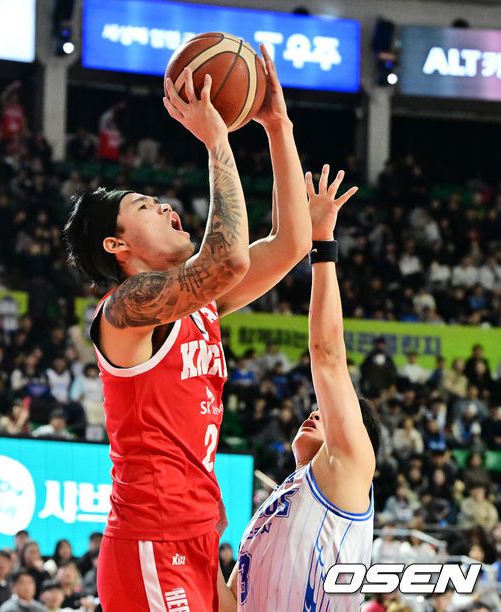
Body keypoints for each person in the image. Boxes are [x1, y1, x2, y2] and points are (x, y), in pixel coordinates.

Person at [63, 46, 311, 612]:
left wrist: (277, 125)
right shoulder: (124, 310)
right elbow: (229, 260)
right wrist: (216, 139)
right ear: (117, 244)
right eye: (145, 207)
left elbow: (291, 243)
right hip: (151, 541)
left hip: (198, 532)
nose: (166, 207)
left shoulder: (198, 305)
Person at [218, 166, 379, 611]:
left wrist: (323, 245)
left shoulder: (351, 466)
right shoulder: (272, 506)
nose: (315, 412)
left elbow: (327, 355)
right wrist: (204, 541)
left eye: (327, 414)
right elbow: (231, 605)